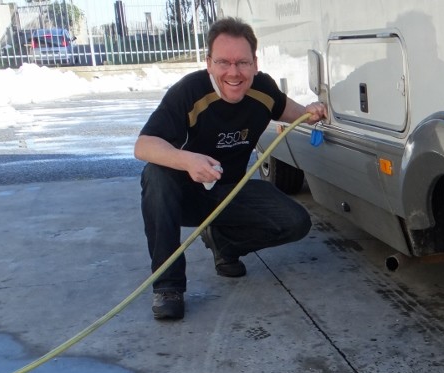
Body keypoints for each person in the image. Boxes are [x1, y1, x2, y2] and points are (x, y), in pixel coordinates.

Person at [134, 17, 327, 320]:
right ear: (209, 63)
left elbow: (287, 110)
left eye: (243, 63)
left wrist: (308, 113)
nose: (234, 73)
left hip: (230, 191)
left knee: (295, 222)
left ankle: (223, 242)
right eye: (224, 62)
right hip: (186, 197)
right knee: (156, 175)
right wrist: (189, 161)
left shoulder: (262, 88)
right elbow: (143, 146)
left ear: (255, 63)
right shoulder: (189, 92)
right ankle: (168, 287)